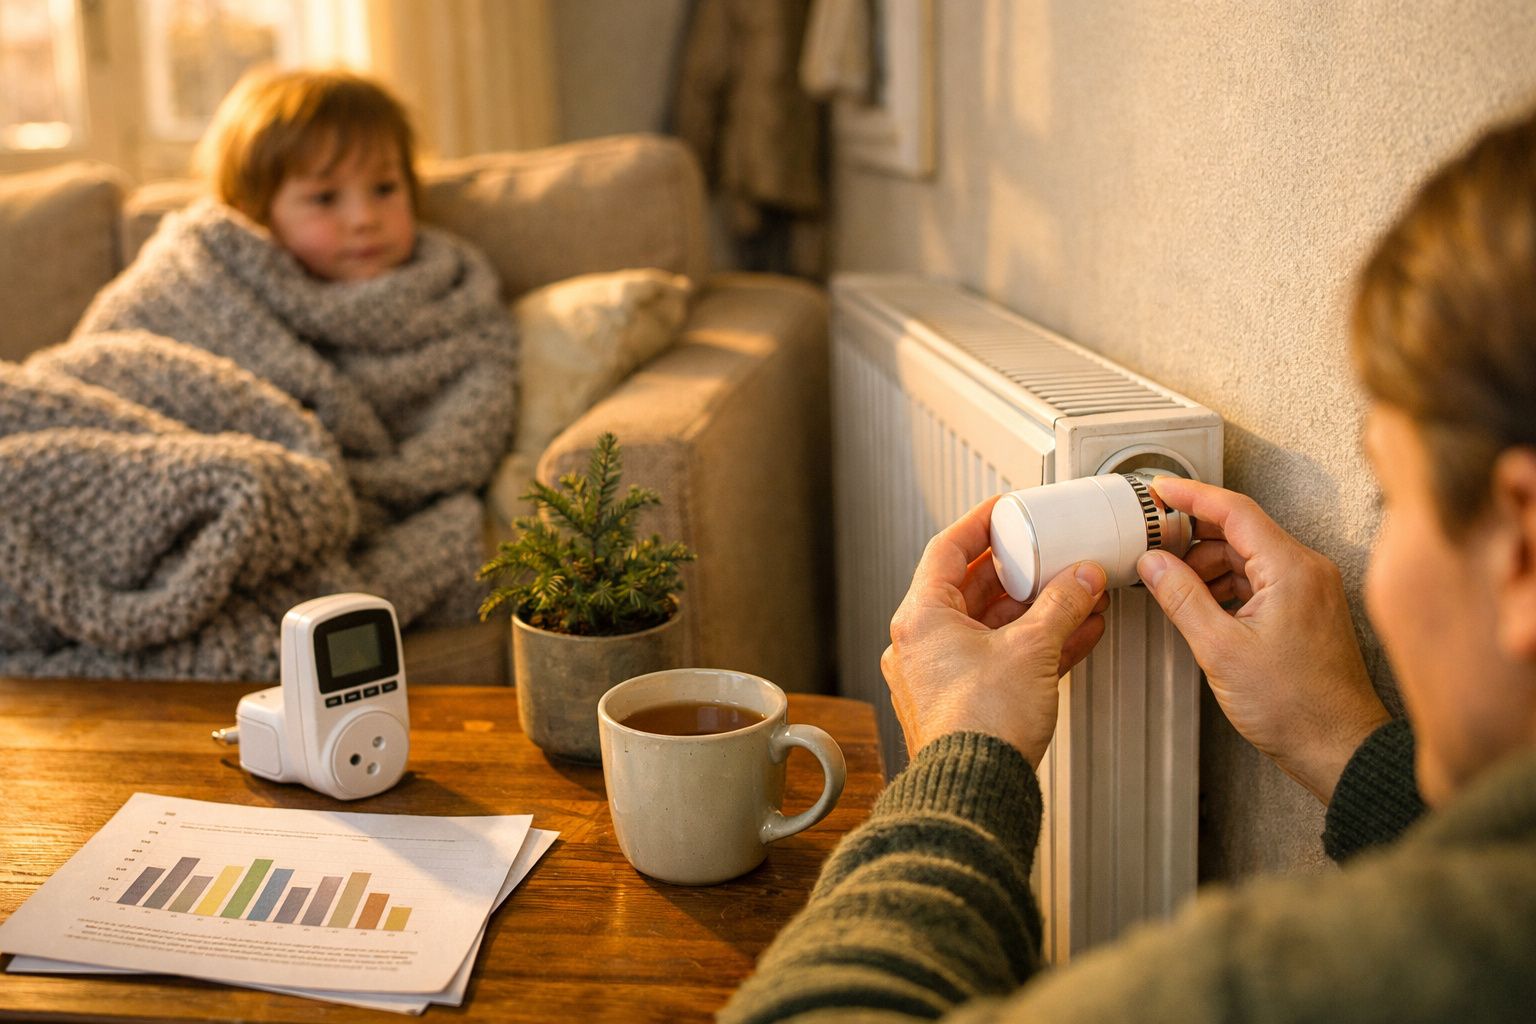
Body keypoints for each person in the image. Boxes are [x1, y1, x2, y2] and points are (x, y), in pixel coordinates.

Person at [720, 105, 1536, 1021]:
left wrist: (961, 752)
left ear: (1522, 548)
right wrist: (1339, 742)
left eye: (1393, 499)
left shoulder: (1300, 978)